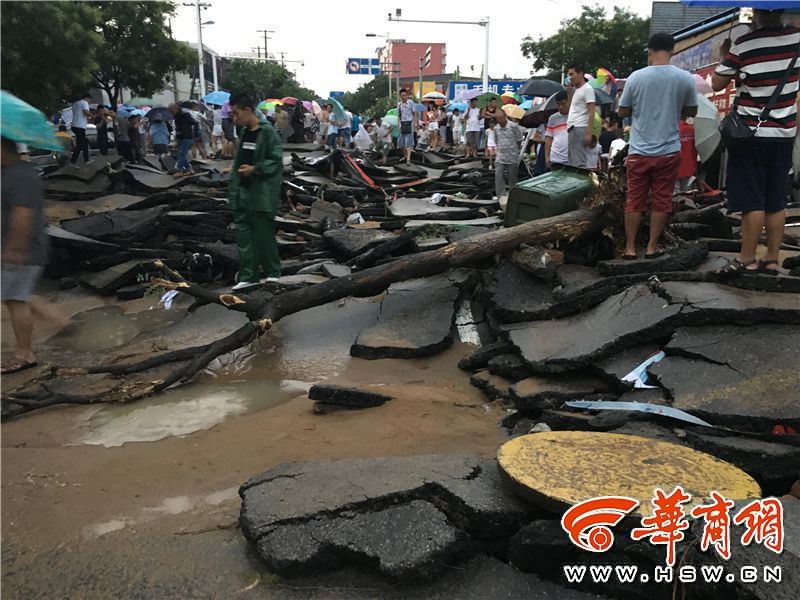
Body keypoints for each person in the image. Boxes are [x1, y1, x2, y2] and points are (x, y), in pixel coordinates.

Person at [711, 8, 800, 275]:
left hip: (751, 133)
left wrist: (725, 56)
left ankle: (747, 258)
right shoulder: (797, 39)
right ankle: (771, 259)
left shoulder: (745, 44)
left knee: (752, 199)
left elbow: (716, 83)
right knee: (776, 199)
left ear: (756, 13)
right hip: (784, 133)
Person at [618, 32, 697, 259]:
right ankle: (652, 246)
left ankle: (630, 247)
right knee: (662, 200)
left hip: (639, 150)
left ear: (649, 51)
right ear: (672, 50)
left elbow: (622, 111)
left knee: (634, 199)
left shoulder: (635, 78)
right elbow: (692, 110)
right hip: (669, 150)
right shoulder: (684, 78)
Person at [1, 137, 66, 374]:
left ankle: (24, 354)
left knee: (15, 299)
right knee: (18, 294)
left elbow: (23, 214)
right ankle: (63, 322)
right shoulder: (10, 172)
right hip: (14, 247)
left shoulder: (20, 175)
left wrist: (14, 249)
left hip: (22, 249)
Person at [226, 93, 283, 290]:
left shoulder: (267, 133)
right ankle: (248, 276)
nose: (235, 118)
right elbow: (240, 161)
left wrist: (255, 169)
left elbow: (275, 161)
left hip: (261, 194)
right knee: (244, 236)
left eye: (237, 113)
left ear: (248, 110)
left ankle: (272, 272)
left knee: (264, 236)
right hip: (243, 192)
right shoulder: (244, 133)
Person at [566, 64, 596, 168]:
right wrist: (569, 94)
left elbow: (592, 110)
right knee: (572, 161)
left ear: (580, 73)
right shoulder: (576, 90)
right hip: (572, 128)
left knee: (579, 162)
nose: (570, 77)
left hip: (580, 127)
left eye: (572, 74)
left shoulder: (587, 89)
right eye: (568, 74)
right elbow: (569, 109)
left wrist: (588, 132)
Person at [493, 111, 524, 198]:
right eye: (497, 119)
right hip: (500, 156)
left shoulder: (513, 126)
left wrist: (515, 150)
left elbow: (519, 139)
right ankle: (500, 195)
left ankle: (513, 196)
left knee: (512, 178)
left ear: (505, 116)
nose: (499, 120)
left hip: (512, 156)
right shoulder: (496, 128)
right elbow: (496, 141)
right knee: (498, 175)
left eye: (501, 118)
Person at [544, 90, 570, 170]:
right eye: (558, 105)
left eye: (563, 104)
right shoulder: (553, 118)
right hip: (556, 158)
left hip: (572, 160)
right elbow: (548, 138)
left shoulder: (575, 117)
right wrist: (547, 156)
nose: (560, 107)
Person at [170, 103, 195, 177]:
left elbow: (193, 123)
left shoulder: (185, 115)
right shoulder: (176, 116)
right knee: (181, 154)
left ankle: (180, 170)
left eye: (171, 110)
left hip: (187, 137)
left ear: (175, 109)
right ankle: (189, 169)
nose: (170, 112)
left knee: (182, 153)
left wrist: (184, 130)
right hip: (180, 137)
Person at [69, 92, 92, 166]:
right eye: (89, 100)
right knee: (84, 144)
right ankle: (86, 161)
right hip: (80, 126)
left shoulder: (75, 104)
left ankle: (72, 162)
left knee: (80, 145)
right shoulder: (84, 102)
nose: (89, 102)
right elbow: (86, 112)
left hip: (74, 125)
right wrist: (92, 115)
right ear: (87, 98)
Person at [676, 118, 697, 192]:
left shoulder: (673, 130)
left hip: (675, 168)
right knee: (687, 195)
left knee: (675, 198)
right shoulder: (692, 130)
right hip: (689, 167)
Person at [397, 89, 417, 164]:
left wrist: (415, 123)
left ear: (407, 95)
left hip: (409, 123)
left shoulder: (411, 102)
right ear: (400, 96)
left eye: (405, 95)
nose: (404, 97)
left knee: (409, 142)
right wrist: (398, 124)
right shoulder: (399, 104)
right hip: (402, 123)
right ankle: (405, 155)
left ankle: (408, 159)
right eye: (402, 96)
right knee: (400, 142)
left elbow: (414, 113)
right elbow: (398, 115)